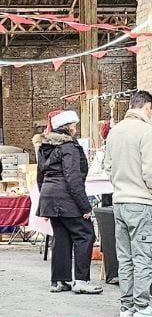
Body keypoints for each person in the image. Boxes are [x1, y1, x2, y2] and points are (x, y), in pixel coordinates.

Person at [104, 89, 152, 317]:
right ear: (148, 107)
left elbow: (108, 167)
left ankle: (127, 306)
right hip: (141, 203)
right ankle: (142, 307)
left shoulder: (115, 132)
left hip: (119, 202)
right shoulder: (147, 131)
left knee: (126, 258)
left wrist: (120, 187)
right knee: (144, 257)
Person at [36, 109, 102, 295]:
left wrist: (45, 201)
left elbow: (40, 176)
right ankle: (81, 280)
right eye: (73, 125)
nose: (75, 128)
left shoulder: (45, 146)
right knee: (85, 234)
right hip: (66, 197)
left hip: (50, 195)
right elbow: (72, 178)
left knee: (62, 237)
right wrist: (85, 207)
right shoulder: (69, 146)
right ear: (67, 128)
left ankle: (59, 280)